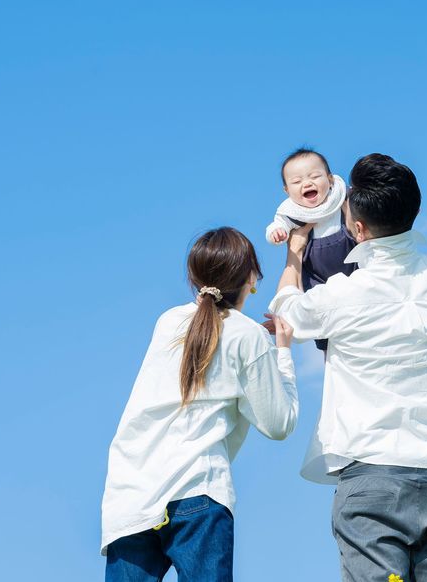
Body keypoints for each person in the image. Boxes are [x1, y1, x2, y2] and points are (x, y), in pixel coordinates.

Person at [268, 154, 427, 582]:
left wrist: (294, 256)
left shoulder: (343, 295)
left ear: (358, 230)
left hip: (370, 471)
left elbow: (286, 311)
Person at [101, 227, 299, 581]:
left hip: (131, 494)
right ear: (251, 278)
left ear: (194, 277)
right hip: (198, 489)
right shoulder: (248, 335)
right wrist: (281, 352)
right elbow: (278, 424)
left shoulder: (168, 322)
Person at [265, 147, 359, 351]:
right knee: (320, 320)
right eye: (297, 181)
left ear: (330, 180)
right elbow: (277, 224)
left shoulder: (340, 197)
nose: (307, 183)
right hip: (316, 274)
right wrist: (277, 233)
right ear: (287, 191)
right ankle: (326, 347)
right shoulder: (292, 212)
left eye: (315, 176)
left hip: (350, 262)